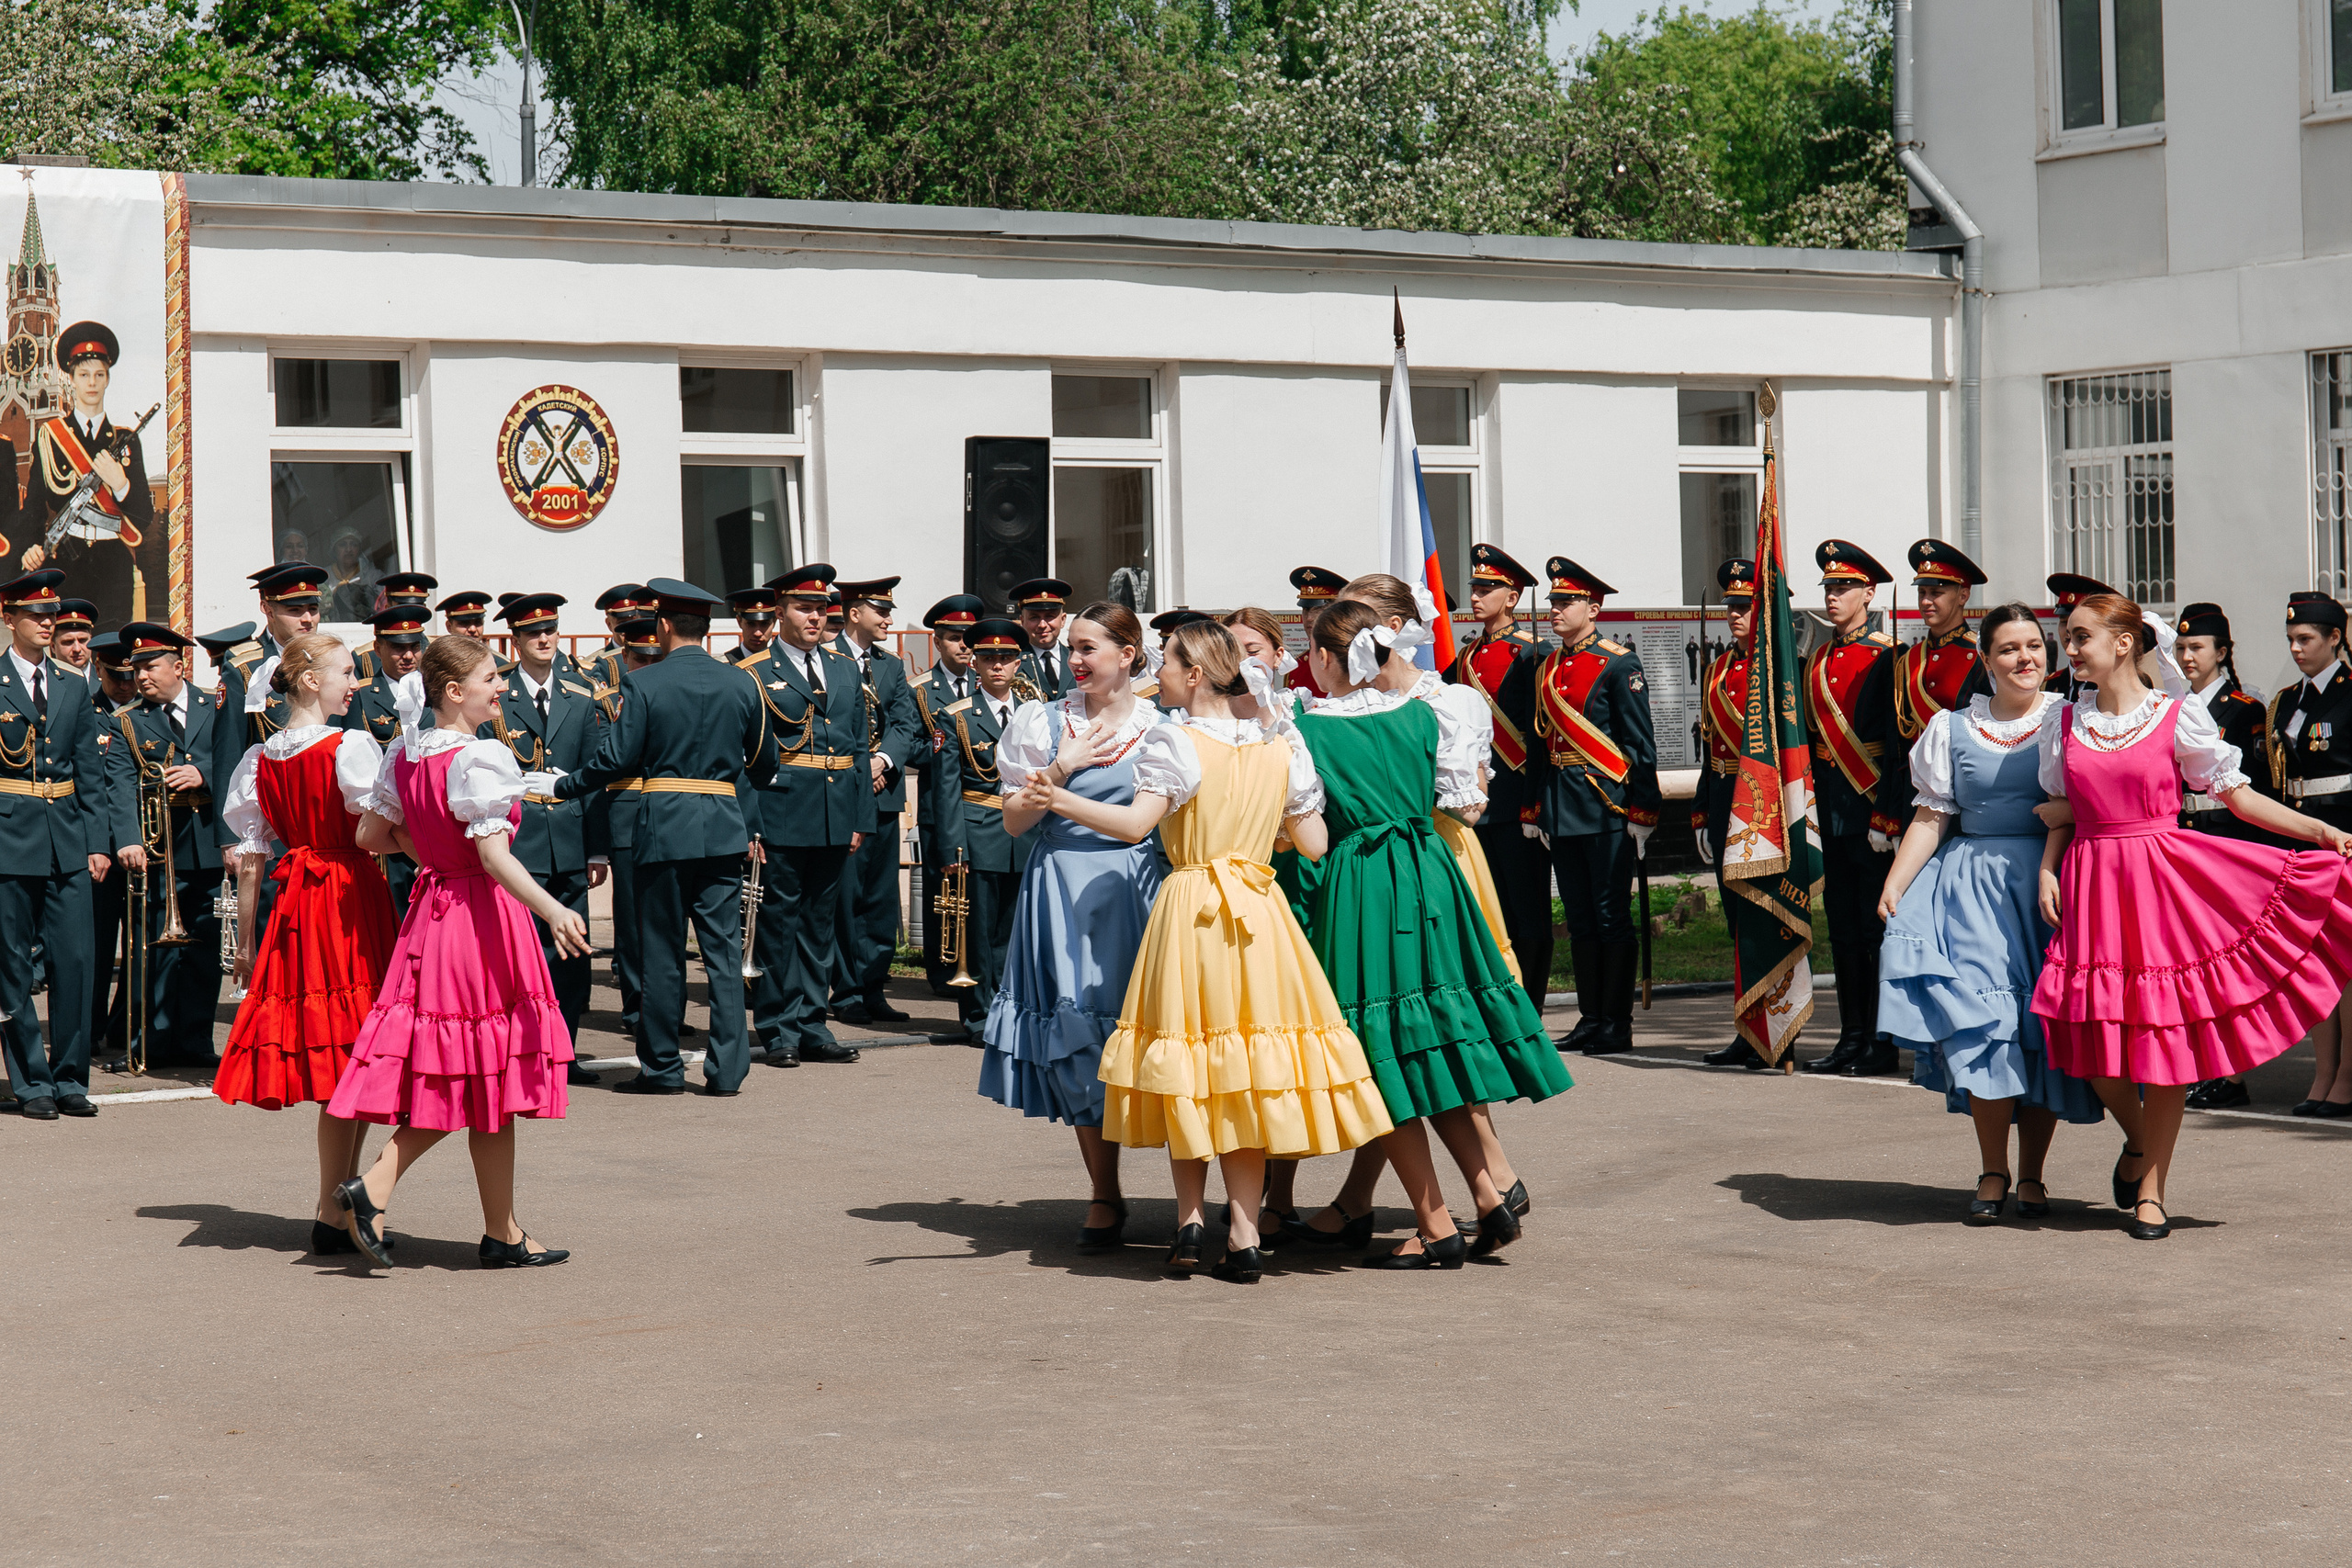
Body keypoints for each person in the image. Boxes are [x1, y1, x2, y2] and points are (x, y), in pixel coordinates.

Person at [1019, 620, 1392, 1281]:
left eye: (1164, 664)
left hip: (1193, 911)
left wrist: (1061, 796)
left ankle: (1191, 1221)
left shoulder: (1176, 737)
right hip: (1260, 914)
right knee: (1245, 1067)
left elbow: (1136, 825)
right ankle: (1244, 1231)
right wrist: (1261, 831)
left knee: (1189, 1065)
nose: (1155, 675)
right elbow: (1314, 843)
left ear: (1195, 674)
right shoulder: (1281, 739)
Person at [2031, 594, 2352, 1240]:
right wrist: (2047, 867)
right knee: (2096, 1049)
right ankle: (2137, 1143)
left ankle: (2153, 1188)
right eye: (2067, 638)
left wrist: (2316, 829)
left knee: (2161, 1042)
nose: (2068, 649)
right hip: (2092, 881)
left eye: (2080, 637)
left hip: (2158, 883)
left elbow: (2238, 795)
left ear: (2124, 643)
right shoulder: (2063, 722)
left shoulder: (2176, 717)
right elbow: (2060, 809)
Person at [1284, 599, 1566, 1267]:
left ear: (1327, 658)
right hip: (1430, 872)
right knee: (1431, 1036)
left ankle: (1437, 1221)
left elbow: (1315, 835)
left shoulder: (1304, 726)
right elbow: (1458, 801)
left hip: (1365, 882)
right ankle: (1486, 1191)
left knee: (1381, 1046)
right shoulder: (1426, 710)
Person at [329, 636, 590, 1269]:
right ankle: (378, 1181)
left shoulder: (407, 754)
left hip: (436, 912)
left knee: (484, 1076)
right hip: (480, 922)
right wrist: (552, 908)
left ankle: (503, 1232)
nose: (500, 687)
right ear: (454, 690)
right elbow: (494, 855)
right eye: (491, 678)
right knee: (474, 1073)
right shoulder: (480, 756)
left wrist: (435, 858)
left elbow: (370, 833)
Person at [1875, 604, 2103, 1223]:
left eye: (2034, 645)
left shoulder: (2072, 720)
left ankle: (2033, 1174)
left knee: (2040, 1029)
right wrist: (1897, 881)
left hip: (2053, 888)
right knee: (1986, 1023)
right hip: (1972, 887)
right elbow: (1931, 815)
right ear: (1985, 658)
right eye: (2009, 648)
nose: (2025, 657)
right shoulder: (1951, 729)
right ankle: (1993, 1167)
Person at [984, 602, 1164, 1249]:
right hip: (1060, 882)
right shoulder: (1043, 721)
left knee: (1151, 1033)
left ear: (1129, 655)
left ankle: (1186, 1193)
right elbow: (1012, 821)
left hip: (1134, 884)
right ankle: (1105, 1190)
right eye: (1073, 648)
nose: (1078, 659)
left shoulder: (1159, 725)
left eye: (1091, 648)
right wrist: (1059, 768)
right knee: (1078, 1033)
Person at [551, 581, 778, 1094]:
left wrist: (565, 784)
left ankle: (662, 1069)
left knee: (661, 951)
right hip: (722, 826)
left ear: (666, 626)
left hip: (664, 826)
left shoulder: (645, 683)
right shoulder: (744, 684)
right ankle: (728, 1072)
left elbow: (618, 759)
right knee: (722, 953)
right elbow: (764, 763)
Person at [215, 632, 397, 1252]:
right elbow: (376, 829)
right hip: (346, 898)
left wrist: (244, 940)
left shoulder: (261, 758)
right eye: (347, 671)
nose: (356, 682)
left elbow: (250, 859)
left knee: (348, 1056)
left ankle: (335, 1205)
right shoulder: (348, 746)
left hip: (298, 903)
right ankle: (332, 1208)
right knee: (355, 1055)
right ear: (312, 679)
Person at [734, 565, 870, 1068]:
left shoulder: (843, 668)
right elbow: (742, 758)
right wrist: (750, 825)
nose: (814, 617)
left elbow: (857, 747)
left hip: (835, 814)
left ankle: (813, 1023)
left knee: (820, 924)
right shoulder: (753, 672)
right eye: (803, 608)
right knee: (778, 923)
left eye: (821, 609)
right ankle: (777, 1028)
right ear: (779, 612)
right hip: (781, 811)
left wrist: (860, 816)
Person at [1526, 556, 1659, 1056]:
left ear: (1593, 607)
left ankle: (1616, 1022)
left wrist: (1643, 812)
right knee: (1579, 918)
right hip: (1563, 807)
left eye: (1566, 601)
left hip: (1606, 808)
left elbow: (1640, 746)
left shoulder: (1618, 662)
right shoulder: (1549, 665)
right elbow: (1541, 745)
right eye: (1554, 601)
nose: (1556, 610)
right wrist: (1536, 808)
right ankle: (1590, 1016)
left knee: (1610, 917)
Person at [0, 570, 111, 1121]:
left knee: (75, 961)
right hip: (7, 838)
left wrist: (98, 843)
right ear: (8, 618)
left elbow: (89, 771)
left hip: (67, 837)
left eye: (51, 615)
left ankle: (70, 1078)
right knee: (14, 967)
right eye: (35, 616)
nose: (46, 624)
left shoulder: (73, 684)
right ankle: (32, 1084)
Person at [488, 593, 608, 1088]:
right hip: (518, 841)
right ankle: (520, 1049)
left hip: (569, 836)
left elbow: (597, 772)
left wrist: (597, 847)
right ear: (515, 640)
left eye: (551, 629)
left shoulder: (582, 696)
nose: (544, 638)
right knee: (520, 949)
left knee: (572, 950)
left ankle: (564, 1048)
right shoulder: (498, 695)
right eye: (533, 632)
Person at [1801, 540, 1902, 1077]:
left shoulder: (1889, 655)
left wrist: (1887, 816)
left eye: (1844, 588)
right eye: (1829, 588)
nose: (1834, 597)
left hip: (1871, 813)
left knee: (1876, 931)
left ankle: (1882, 1041)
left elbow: (1897, 741)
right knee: (1842, 929)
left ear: (1869, 592)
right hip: (1834, 813)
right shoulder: (1817, 659)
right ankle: (1851, 1035)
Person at [105, 624, 225, 1070]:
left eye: (150, 667)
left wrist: (205, 774)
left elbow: (240, 755)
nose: (141, 677)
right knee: (153, 945)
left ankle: (195, 1040)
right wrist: (130, 839)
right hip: (161, 850)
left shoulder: (214, 704)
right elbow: (117, 784)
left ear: (179, 666)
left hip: (207, 844)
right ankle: (149, 1040)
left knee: (203, 946)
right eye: (136, 669)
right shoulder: (130, 720)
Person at [1443, 543, 1550, 1017]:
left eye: (1489, 588)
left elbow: (1541, 736)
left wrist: (1535, 804)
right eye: (1475, 586)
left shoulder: (1533, 655)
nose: (1478, 594)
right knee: (1489, 910)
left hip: (1517, 800)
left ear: (1512, 597)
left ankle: (1530, 1004)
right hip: (1476, 801)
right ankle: (1499, 1001)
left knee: (1527, 911)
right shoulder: (1464, 659)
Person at [933, 618, 1040, 1042]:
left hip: (1028, 831)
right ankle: (980, 1016)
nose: (998, 666)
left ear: (1019, 663)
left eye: (1007, 658)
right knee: (977, 931)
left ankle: (1014, 1009)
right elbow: (945, 789)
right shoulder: (954, 716)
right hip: (978, 831)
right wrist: (951, 849)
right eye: (989, 657)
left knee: (1017, 930)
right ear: (975, 663)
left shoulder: (1037, 713)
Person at [2267, 592, 2352, 1118]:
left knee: (2349, 965)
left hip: (2346, 837)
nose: (2296, 648)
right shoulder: (2288, 701)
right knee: (2316, 963)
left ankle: (2347, 1076)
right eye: (2291, 640)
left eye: (2306, 639)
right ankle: (2323, 1073)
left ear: (2335, 639)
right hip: (2305, 844)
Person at [828, 577, 922, 1025]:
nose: (888, 619)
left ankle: (873, 987)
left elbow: (905, 723)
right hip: (843, 795)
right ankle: (844, 989)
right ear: (853, 613)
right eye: (880, 611)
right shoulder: (828, 659)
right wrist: (859, 767)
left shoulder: (890, 665)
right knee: (845, 895)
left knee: (881, 898)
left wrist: (884, 760)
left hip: (884, 796)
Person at [1691, 559, 1772, 1069]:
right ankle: (1747, 1028)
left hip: (1763, 804)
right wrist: (1701, 812)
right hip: (1724, 797)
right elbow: (1709, 747)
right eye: (1731, 606)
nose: (1735, 614)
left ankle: (1773, 1030)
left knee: (1766, 918)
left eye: (1745, 606)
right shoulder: (1719, 668)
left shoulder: (1781, 671)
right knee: (1737, 921)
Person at [585, 616, 664, 1055]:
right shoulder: (606, 702)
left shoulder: (673, 693)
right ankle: (637, 1009)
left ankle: (664, 1008)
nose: (647, 665)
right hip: (628, 811)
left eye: (655, 657)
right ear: (624, 657)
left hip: (670, 811)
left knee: (668, 919)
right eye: (639, 657)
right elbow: (604, 763)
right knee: (633, 923)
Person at [1877, 541, 1994, 831]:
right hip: (1914, 795)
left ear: (1963, 595)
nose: (1926, 601)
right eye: (1922, 593)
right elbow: (1897, 746)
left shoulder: (1982, 657)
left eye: (1936, 593)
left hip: (1964, 796)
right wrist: (1887, 816)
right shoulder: (1908, 660)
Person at [28, 321, 152, 581]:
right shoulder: (51, 438)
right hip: (65, 564)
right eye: (84, 375)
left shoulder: (126, 440)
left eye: (99, 374)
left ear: (107, 379)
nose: (92, 383)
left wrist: (121, 485)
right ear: (71, 379)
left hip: (115, 566)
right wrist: (29, 547)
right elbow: (33, 507)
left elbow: (144, 516)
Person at [912, 594, 985, 998]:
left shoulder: (992, 682)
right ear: (937, 641)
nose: (964, 646)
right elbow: (912, 745)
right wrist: (948, 749)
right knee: (944, 891)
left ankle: (981, 967)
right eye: (955, 637)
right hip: (939, 804)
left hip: (985, 805)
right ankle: (943, 973)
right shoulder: (921, 690)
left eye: (969, 637)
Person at [353, 573, 436, 682]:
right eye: (401, 606)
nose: (409, 613)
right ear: (387, 607)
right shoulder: (365, 658)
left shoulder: (439, 651)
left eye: (417, 606)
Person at [2043, 574, 2113, 704]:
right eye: (2064, 622)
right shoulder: (2051, 683)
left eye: (2080, 629)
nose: (2069, 633)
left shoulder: (2115, 684)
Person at [1286, 567, 1347, 701]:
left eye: (1319, 609)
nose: (1309, 618)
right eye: (1306, 609)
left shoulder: (1354, 661)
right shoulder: (1298, 666)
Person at [1012, 577, 1074, 700]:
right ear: (1022, 621)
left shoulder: (1077, 660)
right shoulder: (1012, 663)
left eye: (1050, 616)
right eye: (1034, 618)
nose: (1042, 625)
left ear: (1063, 620)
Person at [585, 584, 652, 690]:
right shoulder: (594, 665)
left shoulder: (658, 654)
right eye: (622, 623)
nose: (628, 628)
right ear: (609, 624)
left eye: (633, 622)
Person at [324, 530, 379, 624]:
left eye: (354, 544)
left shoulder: (373, 576)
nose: (349, 549)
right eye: (342, 545)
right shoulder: (324, 576)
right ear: (333, 549)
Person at [722, 587, 779, 664]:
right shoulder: (723, 665)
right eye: (751, 624)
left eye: (764, 624)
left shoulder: (783, 664)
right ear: (739, 622)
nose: (757, 633)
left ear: (774, 622)